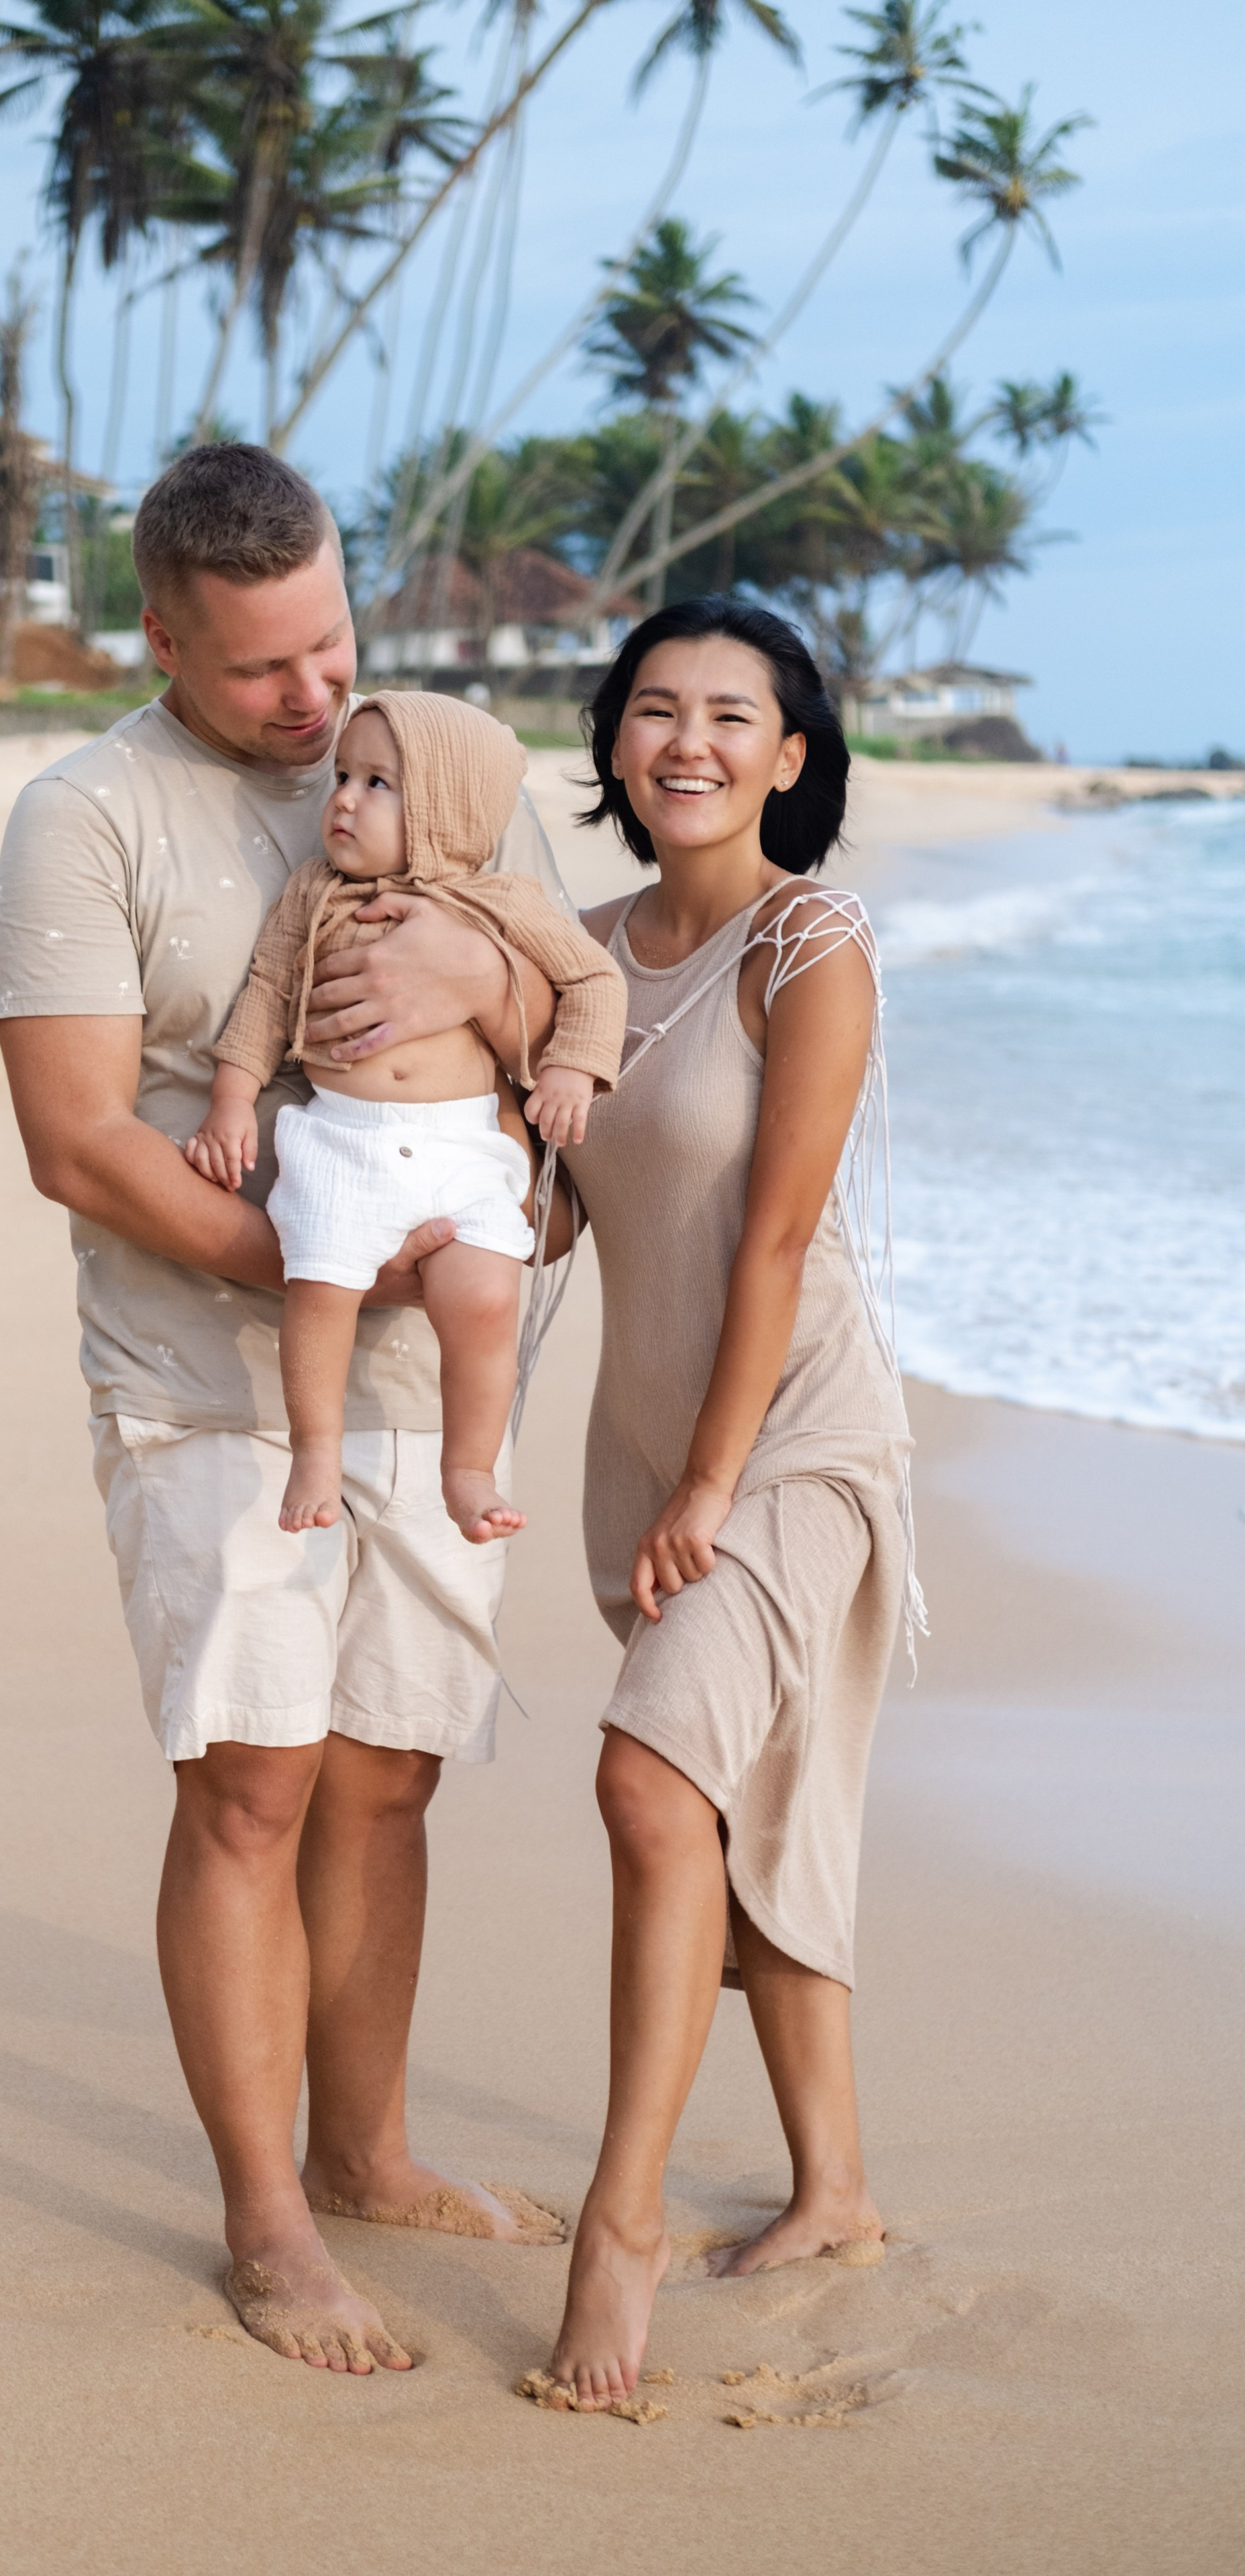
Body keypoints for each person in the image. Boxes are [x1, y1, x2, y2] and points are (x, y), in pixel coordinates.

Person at [0, 442, 573, 2377]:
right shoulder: (87, 817)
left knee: (391, 1771)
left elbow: (566, 1037)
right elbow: (80, 1142)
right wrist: (330, 1266)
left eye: (332, 646)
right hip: (212, 1383)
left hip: (439, 1377)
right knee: (255, 1782)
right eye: (262, 673)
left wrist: (495, 1211)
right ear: (159, 632)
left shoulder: (437, 766)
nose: (319, 708)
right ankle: (266, 2224)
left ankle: (372, 2152)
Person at [532, 597, 919, 2414]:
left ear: (790, 756)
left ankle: (621, 2227)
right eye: (656, 708)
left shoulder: (808, 943)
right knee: (745, 1804)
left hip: (794, 1438)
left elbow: (773, 1232)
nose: (688, 739)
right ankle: (834, 2187)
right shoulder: (576, 952)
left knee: (647, 1779)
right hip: (648, 1441)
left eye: (731, 715)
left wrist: (712, 1477)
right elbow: (545, 1209)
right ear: (614, 739)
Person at [188, 689, 625, 1542]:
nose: (343, 797)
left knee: (488, 1296)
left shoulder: (505, 901)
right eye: (343, 775)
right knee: (319, 1287)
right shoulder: (312, 894)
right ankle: (314, 1449)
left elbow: (594, 981)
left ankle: (467, 1466)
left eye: (378, 782)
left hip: (462, 1146)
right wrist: (231, 1100)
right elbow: (269, 996)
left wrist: (573, 1068)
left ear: (448, 810)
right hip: (343, 1141)